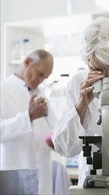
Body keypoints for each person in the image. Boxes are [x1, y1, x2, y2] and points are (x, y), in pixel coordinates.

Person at [52, 17, 109, 188]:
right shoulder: (78, 82)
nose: (107, 78)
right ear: (87, 61)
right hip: (91, 187)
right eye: (97, 70)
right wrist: (80, 107)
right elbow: (64, 148)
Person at [0, 49, 57, 195]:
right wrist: (28, 118)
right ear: (27, 62)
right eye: (39, 74)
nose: (40, 81)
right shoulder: (3, 90)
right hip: (15, 174)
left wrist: (56, 140)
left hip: (43, 176)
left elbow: (55, 127)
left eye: (45, 78)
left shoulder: (41, 94)